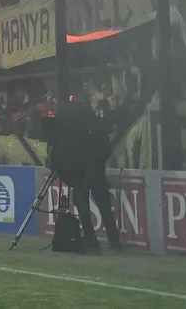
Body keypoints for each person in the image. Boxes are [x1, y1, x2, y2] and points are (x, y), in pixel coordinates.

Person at [47, 95, 120, 254]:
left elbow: (59, 153)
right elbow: (106, 148)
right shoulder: (93, 123)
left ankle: (93, 242)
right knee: (103, 207)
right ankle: (113, 240)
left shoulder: (69, 129)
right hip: (93, 172)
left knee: (85, 209)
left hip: (80, 173)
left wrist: (67, 170)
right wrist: (97, 162)